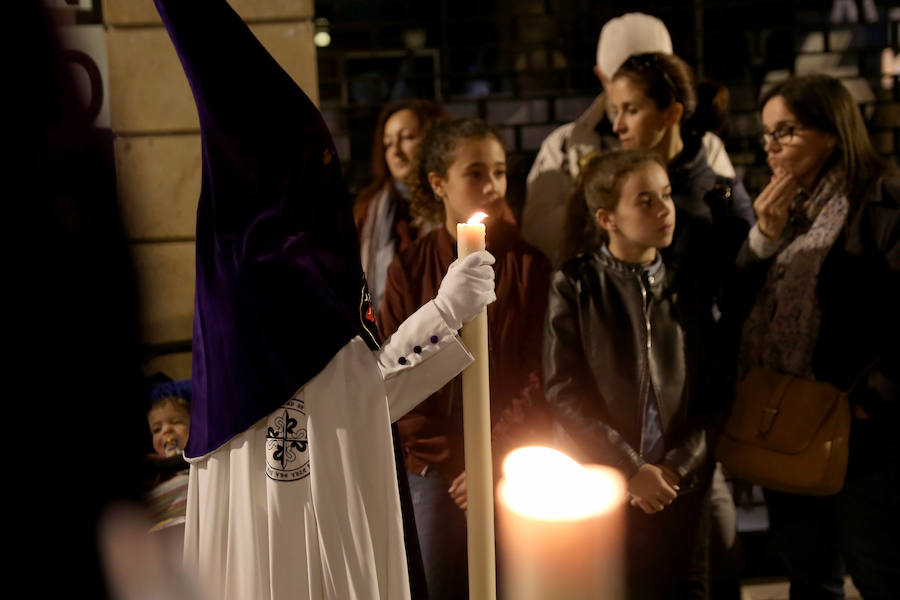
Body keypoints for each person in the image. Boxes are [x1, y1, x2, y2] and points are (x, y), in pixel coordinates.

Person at [152, 1, 497, 599]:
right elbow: (356, 403)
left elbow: (347, 396)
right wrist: (445, 312)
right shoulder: (280, 275)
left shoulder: (244, 264)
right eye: (318, 161)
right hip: (306, 536)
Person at [727, 74, 899, 600]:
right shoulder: (789, 207)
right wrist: (764, 236)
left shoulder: (879, 198)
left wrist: (877, 399)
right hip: (790, 421)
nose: (772, 146)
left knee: (878, 570)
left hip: (860, 426)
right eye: (765, 135)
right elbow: (734, 304)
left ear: (832, 131)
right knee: (809, 573)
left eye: (786, 131)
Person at [378, 118, 552, 600]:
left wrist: (491, 456)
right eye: (476, 173)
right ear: (438, 184)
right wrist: (454, 462)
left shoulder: (528, 266)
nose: (493, 187)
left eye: (499, 172)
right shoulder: (410, 269)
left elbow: (538, 372)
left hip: (513, 459)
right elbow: (398, 369)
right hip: (436, 469)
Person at [543, 149, 721, 599]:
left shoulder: (688, 286)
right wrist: (630, 468)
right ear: (607, 218)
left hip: (681, 486)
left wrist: (674, 469)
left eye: (666, 195)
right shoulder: (576, 283)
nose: (665, 209)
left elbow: (715, 393)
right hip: (604, 486)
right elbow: (563, 390)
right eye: (645, 200)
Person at [523, 12, 739, 267]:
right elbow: (542, 233)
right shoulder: (565, 146)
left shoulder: (702, 146)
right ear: (603, 77)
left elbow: (726, 236)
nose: (621, 125)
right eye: (621, 75)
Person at [354, 99, 447, 313]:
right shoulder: (368, 210)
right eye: (387, 143)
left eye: (406, 138)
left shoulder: (453, 202)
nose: (395, 151)